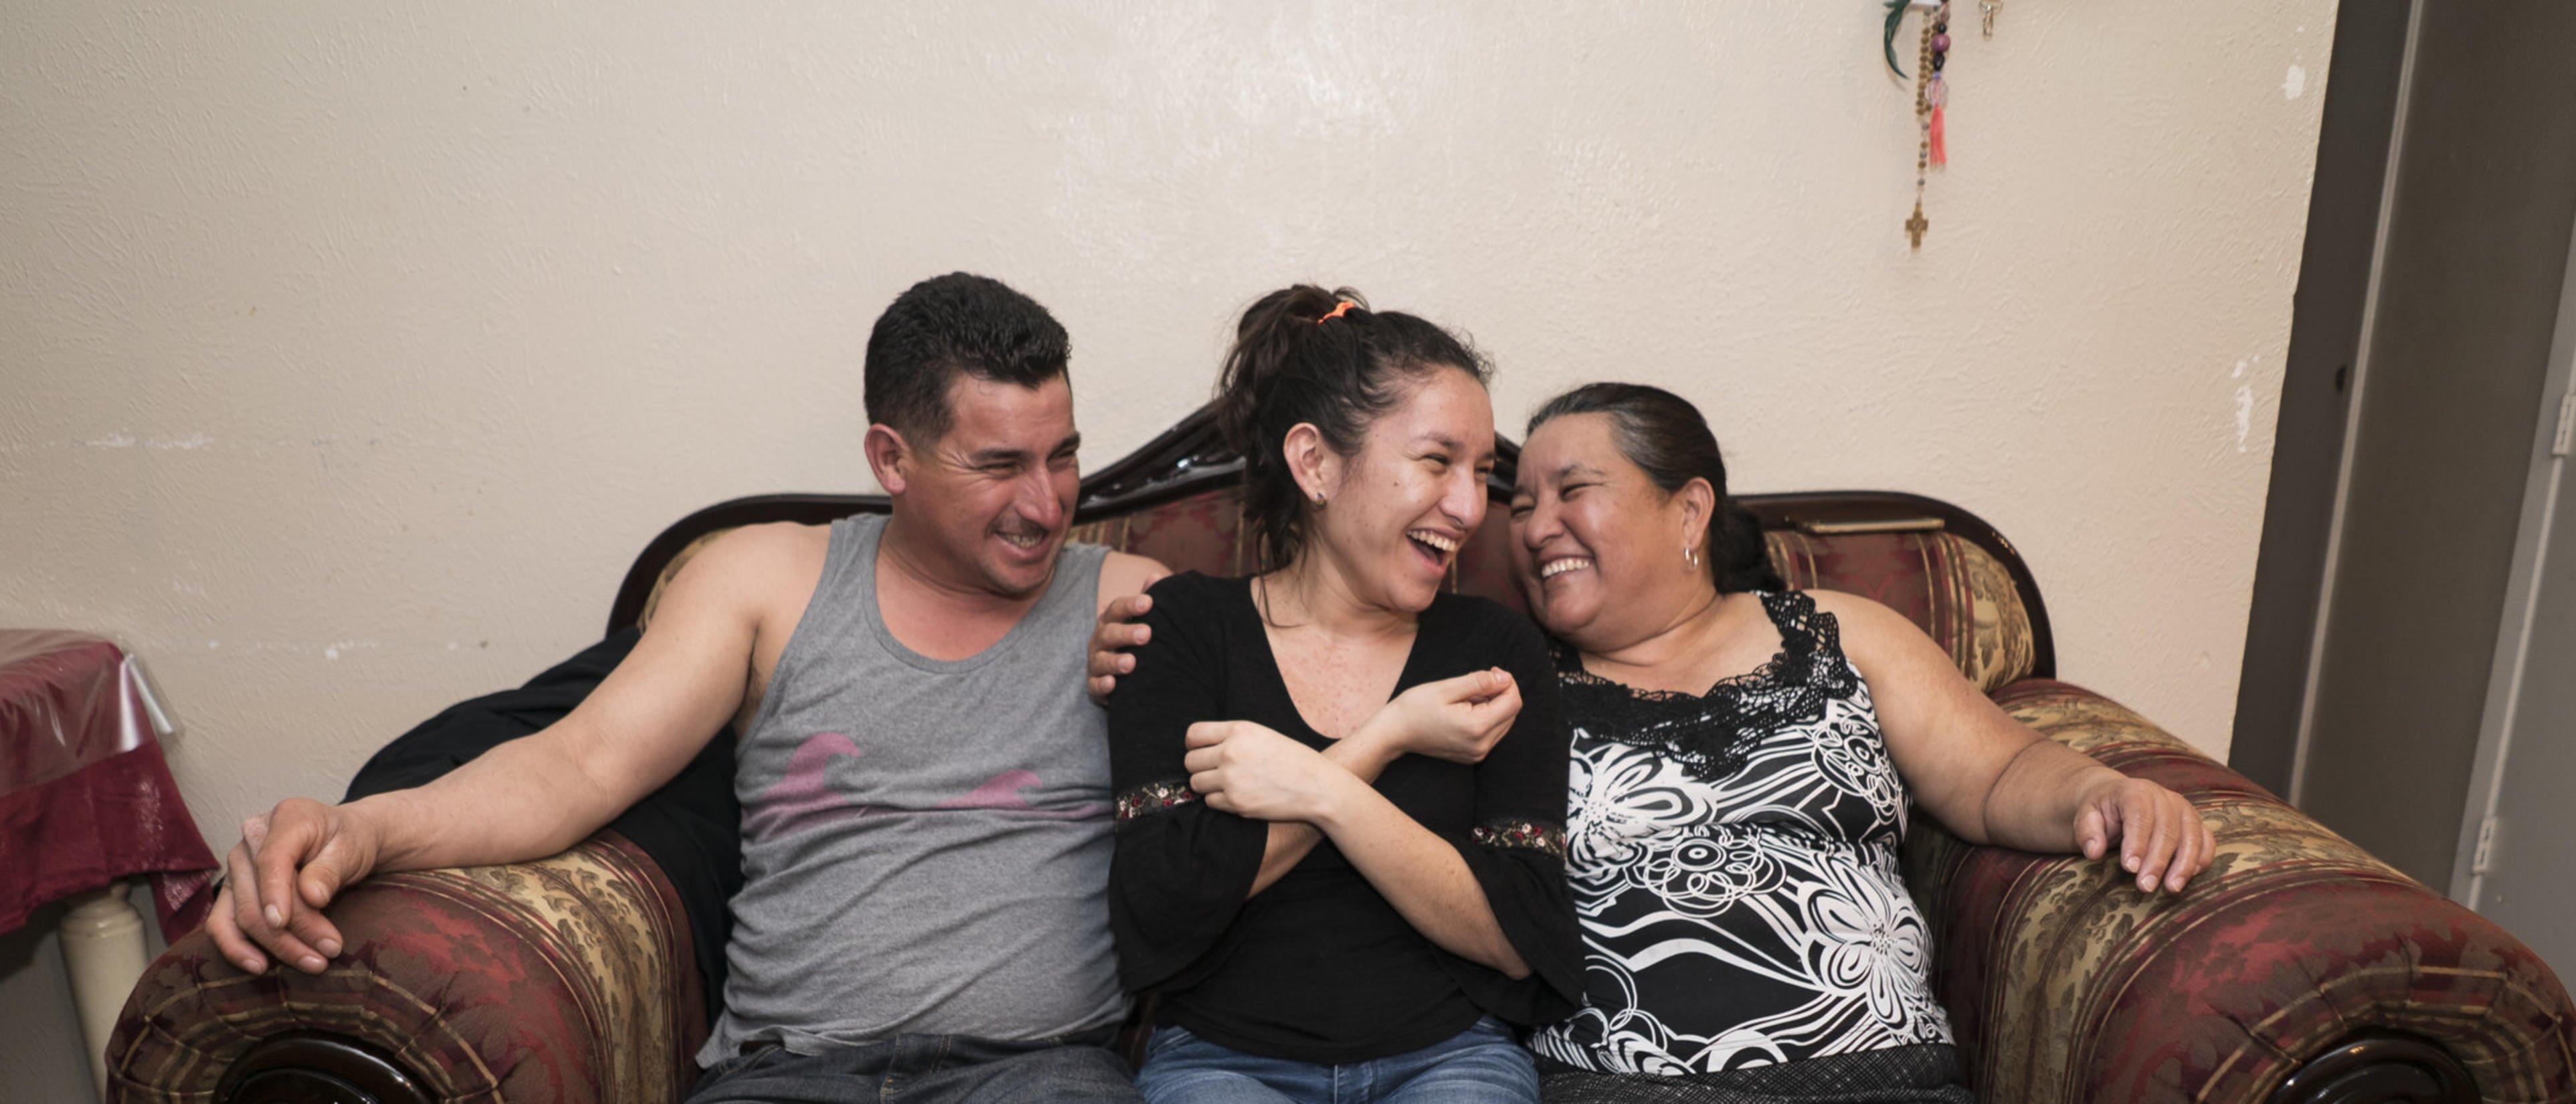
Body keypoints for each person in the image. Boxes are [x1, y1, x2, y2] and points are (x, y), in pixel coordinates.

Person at [1092, 381, 2215, 1103]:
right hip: (1618, 1087)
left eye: (1569, 490)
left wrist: (2094, 796)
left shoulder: (1836, 633)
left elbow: (1996, 771)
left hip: (1877, 1077)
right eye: (1518, 502)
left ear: (1689, 513)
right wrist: (1107, 604)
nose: (1528, 526)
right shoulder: (1498, 679)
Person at [208, 272, 1170, 1104]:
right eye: (999, 465)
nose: (1047, 504)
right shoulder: (762, 581)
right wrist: (366, 830)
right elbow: (578, 764)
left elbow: (1294, 721)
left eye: (1063, 454)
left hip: (1039, 1074)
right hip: (788, 1072)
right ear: (890, 459)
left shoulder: (1127, 602)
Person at [1104, 286, 1584, 1104]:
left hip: (1450, 1057)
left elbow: (1519, 939)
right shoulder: (1184, 629)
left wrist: (1323, 787)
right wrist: (1385, 738)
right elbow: (1162, 910)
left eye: (1481, 473)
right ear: (1315, 463)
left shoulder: (1493, 651)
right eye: (1436, 462)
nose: (1470, 507)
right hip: (1223, 1061)